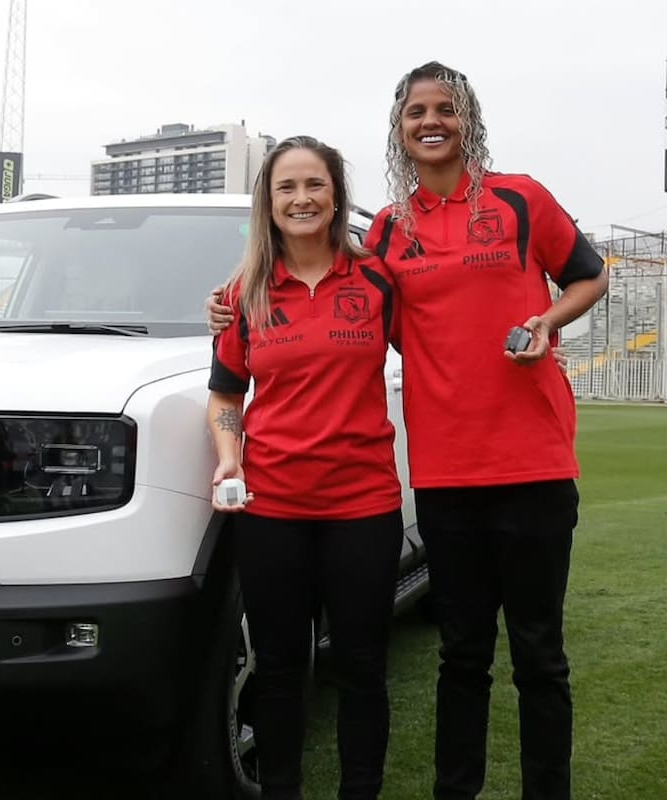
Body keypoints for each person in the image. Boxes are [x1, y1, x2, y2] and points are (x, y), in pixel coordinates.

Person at [208, 62, 609, 800]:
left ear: (467, 118)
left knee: (540, 658)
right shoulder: (389, 233)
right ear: (398, 130)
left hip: (535, 466)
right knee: (462, 657)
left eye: (445, 108)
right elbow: (312, 322)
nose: (431, 121)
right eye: (415, 111)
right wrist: (230, 304)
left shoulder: (522, 199)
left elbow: (591, 273)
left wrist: (546, 321)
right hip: (445, 476)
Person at [208, 134, 404, 800]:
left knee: (362, 669)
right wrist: (229, 455)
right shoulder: (243, 293)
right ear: (268, 202)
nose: (301, 199)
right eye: (286, 187)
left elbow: (438, 347)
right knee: (282, 670)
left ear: (335, 194)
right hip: (272, 511)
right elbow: (226, 398)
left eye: (313, 185)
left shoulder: (378, 277)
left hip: (364, 507)